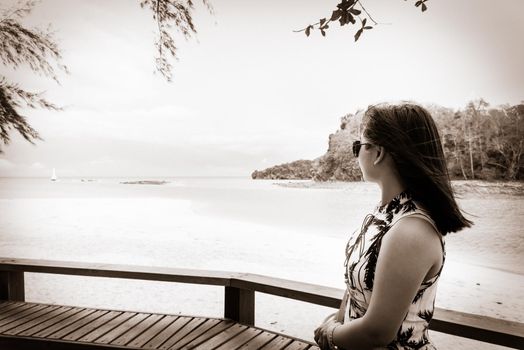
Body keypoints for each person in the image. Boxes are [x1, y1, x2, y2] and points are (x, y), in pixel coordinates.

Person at [314, 102, 472, 350]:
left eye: (359, 146)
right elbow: (356, 287)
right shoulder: (387, 213)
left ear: (378, 153)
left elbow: (377, 332)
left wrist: (331, 333)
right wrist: (337, 318)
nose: (356, 154)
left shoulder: (411, 231)